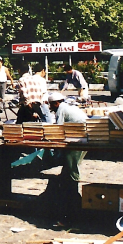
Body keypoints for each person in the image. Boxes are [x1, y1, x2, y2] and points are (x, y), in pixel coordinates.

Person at [44, 92, 88, 223]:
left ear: (56, 103)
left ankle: (73, 202)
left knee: (71, 169)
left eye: (51, 105)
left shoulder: (61, 110)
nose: (50, 107)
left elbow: (59, 129)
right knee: (67, 171)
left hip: (78, 140)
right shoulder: (68, 106)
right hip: (81, 138)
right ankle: (70, 196)